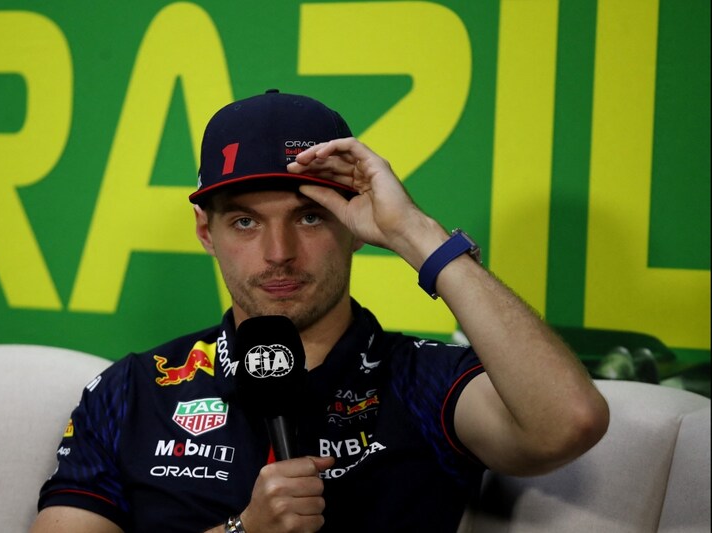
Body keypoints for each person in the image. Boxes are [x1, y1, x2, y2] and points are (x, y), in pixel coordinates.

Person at [31, 90, 609, 532]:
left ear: (356, 226)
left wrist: (415, 233)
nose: (279, 253)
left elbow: (570, 423)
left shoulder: (422, 380)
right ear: (206, 232)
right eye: (245, 222)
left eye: (309, 217)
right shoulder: (134, 390)